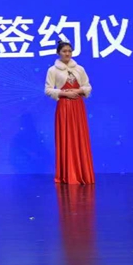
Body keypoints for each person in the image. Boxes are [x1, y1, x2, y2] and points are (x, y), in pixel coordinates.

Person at [45, 40, 94, 184]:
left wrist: (78, 91)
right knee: (66, 137)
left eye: (69, 51)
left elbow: (87, 86)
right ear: (58, 53)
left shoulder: (79, 69)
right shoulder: (53, 70)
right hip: (64, 107)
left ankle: (82, 173)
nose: (67, 54)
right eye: (64, 51)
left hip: (78, 106)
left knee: (80, 137)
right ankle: (67, 174)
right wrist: (64, 93)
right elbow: (48, 90)